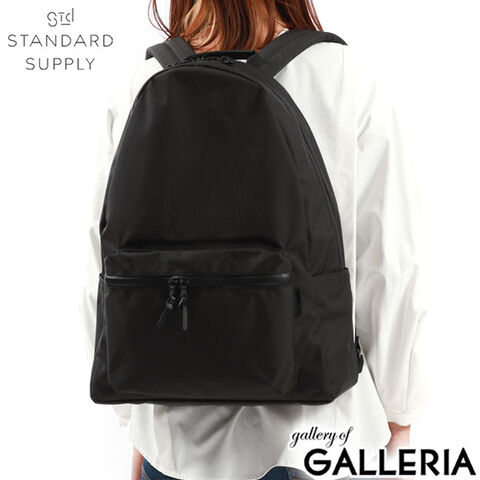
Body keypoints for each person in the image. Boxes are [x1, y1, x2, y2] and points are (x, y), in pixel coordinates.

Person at [79, 1, 429, 479]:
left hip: (175, 448)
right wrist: (399, 414)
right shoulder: (343, 76)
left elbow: (99, 270)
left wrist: (137, 420)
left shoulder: (142, 81)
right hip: (317, 441)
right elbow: (391, 267)